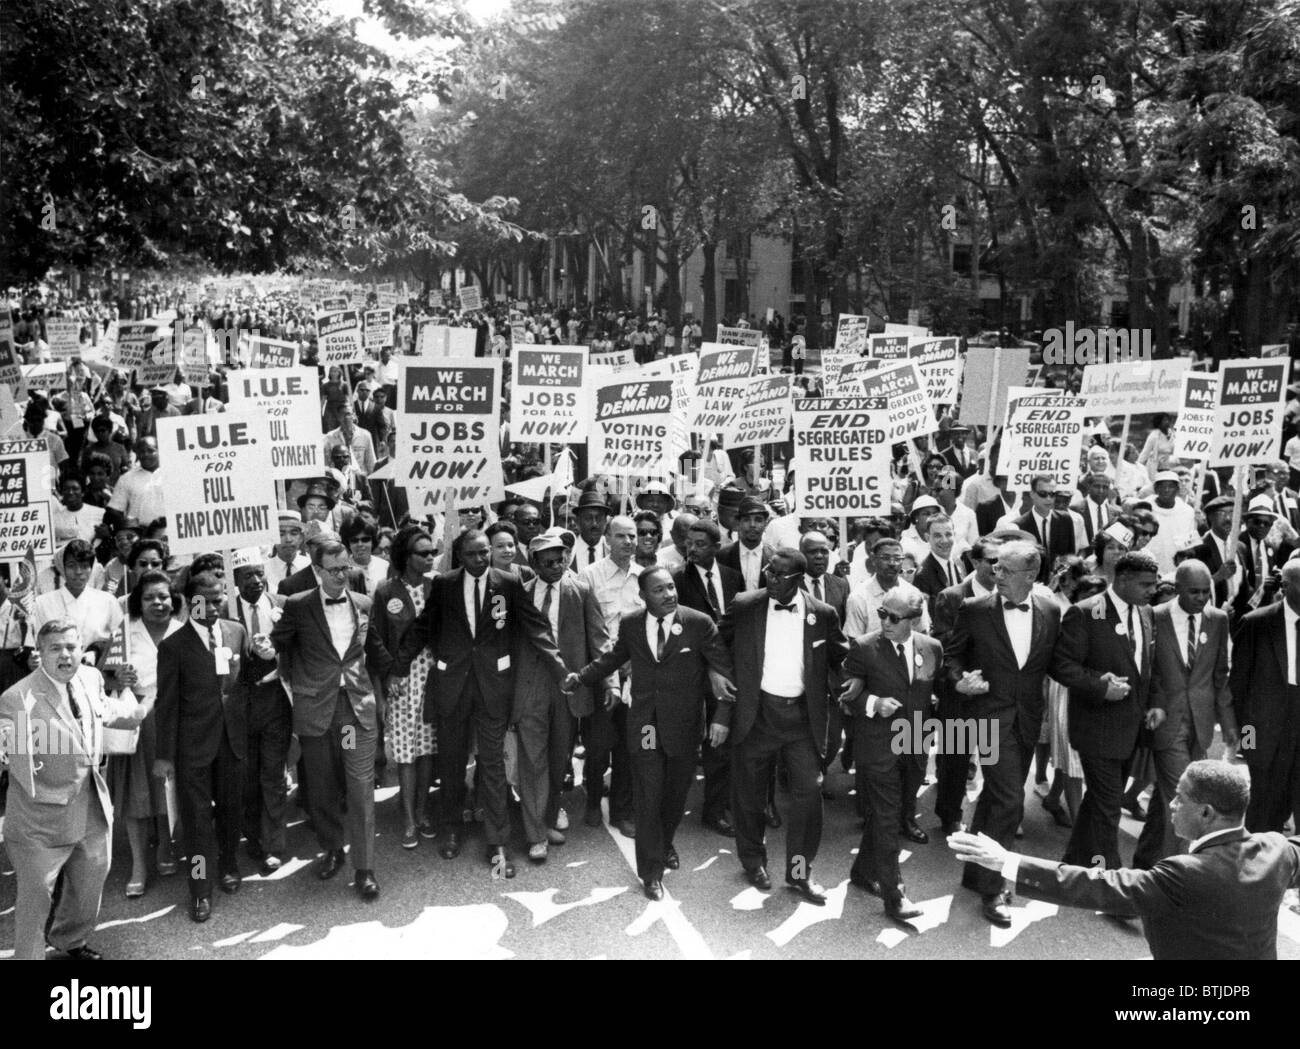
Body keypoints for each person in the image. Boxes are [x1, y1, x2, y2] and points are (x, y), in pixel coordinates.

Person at [949, 760, 1300, 960]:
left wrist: (1005, 861)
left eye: (1180, 798)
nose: (1171, 805)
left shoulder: (1184, 874)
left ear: (1207, 813)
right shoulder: (1276, 849)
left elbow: (1094, 886)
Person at [389, 528, 569, 879]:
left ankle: (496, 840)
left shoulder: (508, 583)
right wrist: (398, 669)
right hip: (453, 686)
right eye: (473, 554)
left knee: (492, 763)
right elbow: (422, 628)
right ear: (460, 555)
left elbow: (536, 628)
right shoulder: (444, 584)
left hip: (493, 687)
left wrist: (560, 668)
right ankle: (452, 828)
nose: (481, 559)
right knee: (452, 762)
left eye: (485, 552)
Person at [567, 566, 734, 899]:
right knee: (649, 793)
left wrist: (723, 718)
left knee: (674, 796)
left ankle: (665, 841)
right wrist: (580, 678)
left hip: (684, 727)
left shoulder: (698, 623)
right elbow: (612, 659)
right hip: (644, 724)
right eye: (658, 590)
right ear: (643, 596)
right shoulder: (630, 624)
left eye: (671, 587)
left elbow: (724, 671)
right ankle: (651, 872)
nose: (669, 594)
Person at [0, 619, 147, 959]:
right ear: (41, 653)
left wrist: (137, 708)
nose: (65, 655)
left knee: (92, 880)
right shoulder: (17, 697)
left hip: (90, 803)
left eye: (71, 647)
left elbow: (106, 711)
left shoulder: (92, 678)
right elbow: (8, 742)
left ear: (82, 650)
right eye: (55, 648)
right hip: (40, 816)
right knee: (35, 899)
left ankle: (69, 941)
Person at [943, 539, 1063, 926]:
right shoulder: (975, 609)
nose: (997, 575)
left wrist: (1096, 682)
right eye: (995, 568)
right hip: (989, 718)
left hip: (1027, 718)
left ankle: (975, 874)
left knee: (998, 797)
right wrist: (960, 680)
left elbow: (1056, 664)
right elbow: (953, 655)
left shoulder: (1049, 608)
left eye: (1007, 571)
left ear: (1031, 575)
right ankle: (994, 889)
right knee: (1011, 801)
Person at [719, 547, 849, 904]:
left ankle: (798, 873)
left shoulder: (822, 614)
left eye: (779, 575)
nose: (770, 579)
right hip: (756, 715)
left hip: (802, 721)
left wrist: (851, 687)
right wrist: (719, 677)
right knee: (749, 795)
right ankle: (753, 861)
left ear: (799, 580)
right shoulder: (745, 605)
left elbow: (842, 657)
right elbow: (716, 642)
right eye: (768, 571)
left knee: (809, 794)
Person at [267, 539, 388, 901]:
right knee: (322, 785)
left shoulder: (364, 603)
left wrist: (396, 673)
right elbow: (280, 646)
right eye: (333, 570)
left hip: (353, 711)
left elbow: (375, 649)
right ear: (317, 571)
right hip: (317, 710)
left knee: (359, 785)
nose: (341, 576)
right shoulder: (299, 607)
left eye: (345, 568)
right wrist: (266, 651)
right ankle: (333, 846)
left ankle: (364, 869)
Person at [1052, 550, 1161, 875]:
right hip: (1096, 727)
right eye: (1145, 584)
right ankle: (1109, 881)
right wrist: (1100, 686)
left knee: (1099, 801)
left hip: (1131, 729)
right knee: (1108, 805)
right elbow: (1061, 665)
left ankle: (1072, 866)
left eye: (1154, 585)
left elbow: (1147, 668)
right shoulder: (1085, 613)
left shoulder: (1145, 614)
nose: (1151, 591)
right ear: (1122, 579)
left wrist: (1154, 703)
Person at [153, 557, 248, 923]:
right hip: (192, 747)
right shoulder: (173, 645)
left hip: (232, 740)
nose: (211, 606)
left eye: (218, 598)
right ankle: (199, 890)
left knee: (230, 809)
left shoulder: (236, 631)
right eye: (203, 600)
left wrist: (263, 660)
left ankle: (228, 864)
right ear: (189, 601)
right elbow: (166, 704)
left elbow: (249, 681)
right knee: (195, 822)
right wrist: (164, 755)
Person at [840, 589, 941, 922]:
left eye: (893, 618)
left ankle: (861, 871)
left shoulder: (931, 648)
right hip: (877, 747)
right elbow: (845, 696)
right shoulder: (865, 648)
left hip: (913, 745)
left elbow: (928, 691)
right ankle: (894, 895)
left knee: (893, 813)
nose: (884, 621)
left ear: (912, 620)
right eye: (882, 613)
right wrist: (873, 704)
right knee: (886, 817)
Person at [513, 534, 615, 861]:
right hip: (531, 688)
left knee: (559, 761)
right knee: (532, 760)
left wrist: (609, 681)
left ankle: (546, 818)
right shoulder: (522, 594)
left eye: (561, 560)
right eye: (548, 562)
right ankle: (535, 836)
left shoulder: (581, 591)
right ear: (533, 564)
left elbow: (599, 639)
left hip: (570, 688)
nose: (557, 567)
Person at [1134, 560, 1235, 867]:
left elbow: (1220, 675)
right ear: (1176, 589)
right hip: (1167, 724)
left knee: (1164, 804)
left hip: (1201, 725)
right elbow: (1146, 670)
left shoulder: (1217, 620)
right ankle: (1172, 878)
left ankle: (1144, 867)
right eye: (1194, 592)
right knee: (1184, 802)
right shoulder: (1155, 616)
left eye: (1206, 592)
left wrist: (1230, 726)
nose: (1202, 598)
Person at [102, 570, 183, 898]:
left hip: (174, 719)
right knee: (137, 796)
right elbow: (104, 680)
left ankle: (166, 846)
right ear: (139, 601)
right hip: (137, 723)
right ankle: (138, 865)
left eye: (163, 596)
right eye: (149, 598)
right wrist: (117, 679)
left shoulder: (182, 630)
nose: (157, 603)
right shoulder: (125, 630)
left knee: (167, 791)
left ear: (173, 599)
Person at [672, 517, 743, 836]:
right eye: (689, 542)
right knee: (685, 742)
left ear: (717, 547)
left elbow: (738, 624)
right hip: (691, 671)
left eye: (701, 544)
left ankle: (715, 809)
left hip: (727, 671)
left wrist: (723, 667)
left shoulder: (733, 577)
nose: (693, 549)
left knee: (721, 744)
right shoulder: (676, 580)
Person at [370, 526, 438, 848]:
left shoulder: (437, 586)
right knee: (407, 753)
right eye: (422, 553)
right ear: (406, 557)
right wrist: (389, 676)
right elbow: (375, 639)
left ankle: (423, 811)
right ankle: (408, 818)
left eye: (431, 553)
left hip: (433, 678)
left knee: (427, 749)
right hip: (402, 681)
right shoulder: (386, 592)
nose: (429, 558)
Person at [227, 551, 292, 873]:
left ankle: (274, 844)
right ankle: (252, 837)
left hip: (275, 699)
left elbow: (298, 645)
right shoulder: (222, 608)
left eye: (258, 573)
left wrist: (277, 653)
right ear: (234, 579)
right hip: (239, 702)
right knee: (247, 777)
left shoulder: (283, 603)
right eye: (246, 575)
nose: (254, 580)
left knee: (273, 775)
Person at [578, 515, 641, 836]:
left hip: (635, 675)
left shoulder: (645, 577)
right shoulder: (589, 576)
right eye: (621, 536)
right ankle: (591, 799)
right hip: (603, 674)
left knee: (630, 747)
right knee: (598, 744)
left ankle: (621, 811)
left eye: (633, 536)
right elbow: (586, 629)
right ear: (606, 538)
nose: (628, 541)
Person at [1230, 558, 1300, 834]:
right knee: (1265, 810)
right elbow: (1239, 687)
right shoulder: (1257, 624)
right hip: (1268, 731)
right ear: (1286, 586)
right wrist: (1248, 741)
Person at [31, 540, 123, 657]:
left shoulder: (108, 601)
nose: (78, 572)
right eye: (71, 566)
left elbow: (119, 641)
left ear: (92, 568)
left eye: (85, 566)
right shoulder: (43, 603)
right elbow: (38, 644)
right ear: (62, 567)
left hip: (97, 670)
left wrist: (97, 652)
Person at [1015, 474, 1076, 581]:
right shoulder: (1019, 525)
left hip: (1060, 586)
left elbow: (1070, 556)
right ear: (1032, 494)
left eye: (1052, 494)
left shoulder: (1065, 520)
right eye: (1043, 494)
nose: (1048, 499)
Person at [105, 437, 166, 532]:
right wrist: (128, 526)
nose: (145, 454)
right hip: (139, 536)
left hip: (170, 534)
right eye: (141, 451)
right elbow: (115, 510)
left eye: (151, 450)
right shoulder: (127, 478)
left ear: (160, 450)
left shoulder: (173, 475)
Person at [718, 496, 770, 591]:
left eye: (758, 520)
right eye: (746, 519)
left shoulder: (773, 557)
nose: (752, 525)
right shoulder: (721, 556)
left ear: (765, 523)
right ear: (738, 523)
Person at [264, 510, 310, 591]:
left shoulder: (310, 566)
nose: (288, 539)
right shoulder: (264, 570)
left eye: (294, 533)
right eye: (281, 534)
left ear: (301, 538)